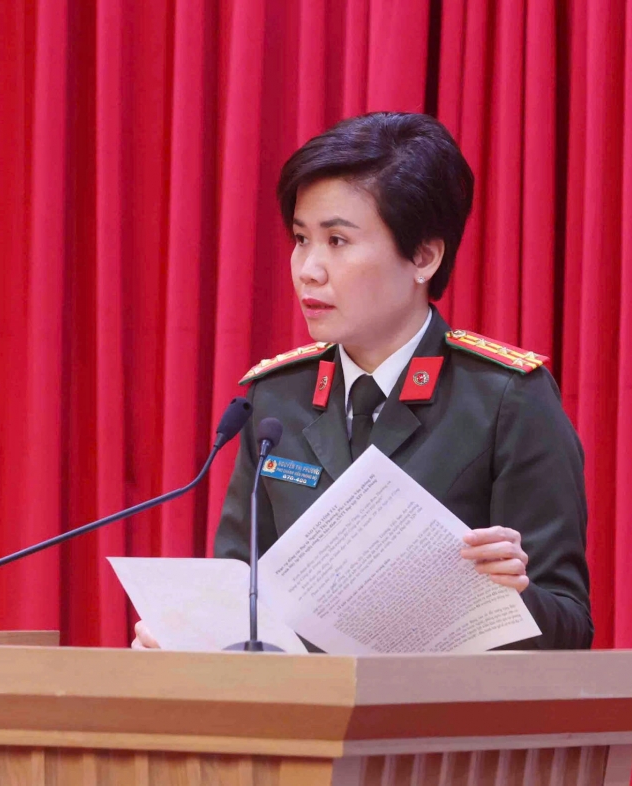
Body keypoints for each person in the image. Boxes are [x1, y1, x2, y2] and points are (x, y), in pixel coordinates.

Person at [135, 112, 591, 651]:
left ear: (424, 256)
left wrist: (510, 593)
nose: (308, 269)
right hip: (304, 705)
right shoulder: (277, 399)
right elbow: (240, 596)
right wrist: (189, 639)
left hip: (438, 704)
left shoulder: (504, 398)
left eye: (337, 240)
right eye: (301, 238)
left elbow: (570, 630)